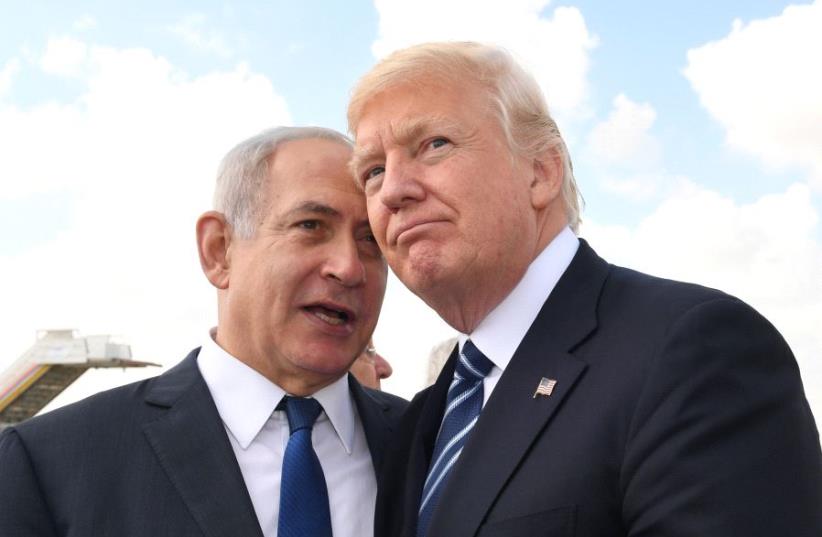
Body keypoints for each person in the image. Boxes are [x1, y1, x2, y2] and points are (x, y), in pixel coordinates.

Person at [347, 42, 822, 537]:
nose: (394, 189)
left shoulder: (695, 350)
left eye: (434, 144)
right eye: (373, 171)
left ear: (541, 171)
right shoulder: (425, 418)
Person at [0, 126, 408, 537]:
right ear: (218, 250)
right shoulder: (50, 463)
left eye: (371, 240)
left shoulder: (431, 448)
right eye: (311, 226)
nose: (349, 266)